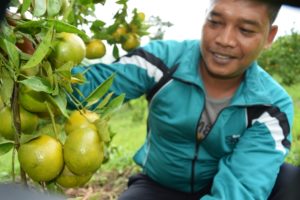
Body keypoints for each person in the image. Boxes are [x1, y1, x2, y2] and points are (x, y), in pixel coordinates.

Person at [69, 0, 300, 199]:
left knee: (289, 181)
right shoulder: (161, 62)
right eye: (215, 22)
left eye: (246, 30)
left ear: (269, 36)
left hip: (220, 183)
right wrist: (41, 67)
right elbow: (91, 88)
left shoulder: (271, 107)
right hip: (158, 187)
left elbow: (241, 188)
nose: (224, 39)